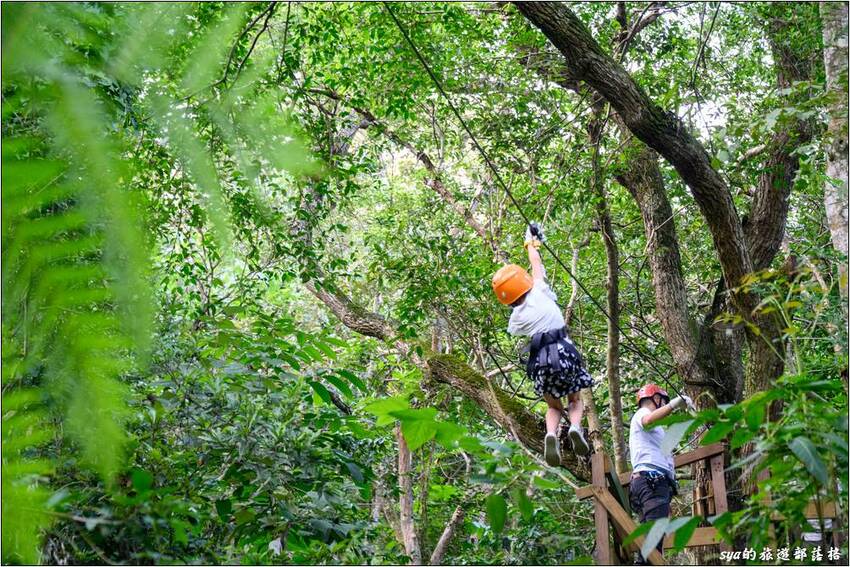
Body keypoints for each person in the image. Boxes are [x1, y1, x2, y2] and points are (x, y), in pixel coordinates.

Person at [491, 223, 594, 466]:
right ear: (523, 281)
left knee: (554, 407)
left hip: (541, 363)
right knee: (575, 400)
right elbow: (536, 263)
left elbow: (515, 318)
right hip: (564, 353)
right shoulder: (539, 290)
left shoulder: (516, 319)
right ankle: (576, 427)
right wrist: (531, 241)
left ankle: (551, 434)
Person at [628, 384, 693, 564]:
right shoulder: (642, 413)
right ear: (656, 399)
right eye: (662, 402)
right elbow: (649, 420)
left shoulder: (657, 430)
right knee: (654, 539)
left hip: (652, 483)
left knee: (654, 536)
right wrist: (674, 404)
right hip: (651, 482)